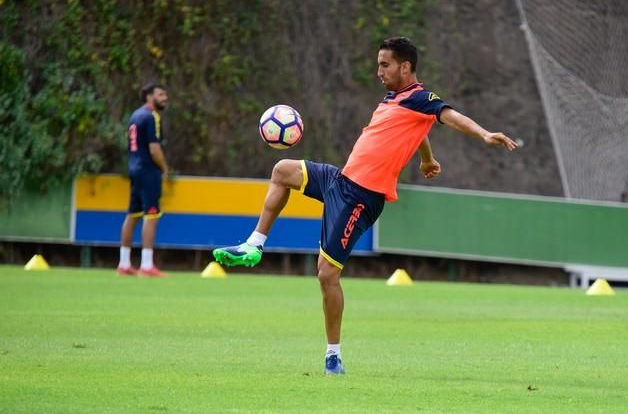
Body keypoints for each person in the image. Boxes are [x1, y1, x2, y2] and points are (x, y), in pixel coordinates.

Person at [212, 37, 518, 374]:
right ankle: (254, 246)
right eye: (378, 65)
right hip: (339, 180)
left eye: (385, 65)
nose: (378, 72)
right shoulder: (395, 100)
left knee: (326, 275)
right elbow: (421, 129)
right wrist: (427, 159)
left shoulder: (421, 97)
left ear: (405, 66)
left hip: (361, 197)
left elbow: (448, 115)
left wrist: (485, 134)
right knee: (282, 171)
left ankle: (333, 356)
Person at [116, 82, 170, 277]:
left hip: (134, 169)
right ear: (149, 96)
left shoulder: (135, 115)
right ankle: (146, 265)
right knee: (151, 215)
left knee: (132, 214)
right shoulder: (151, 116)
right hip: (148, 171)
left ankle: (124, 263)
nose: (165, 98)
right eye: (161, 94)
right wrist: (164, 168)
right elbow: (154, 149)